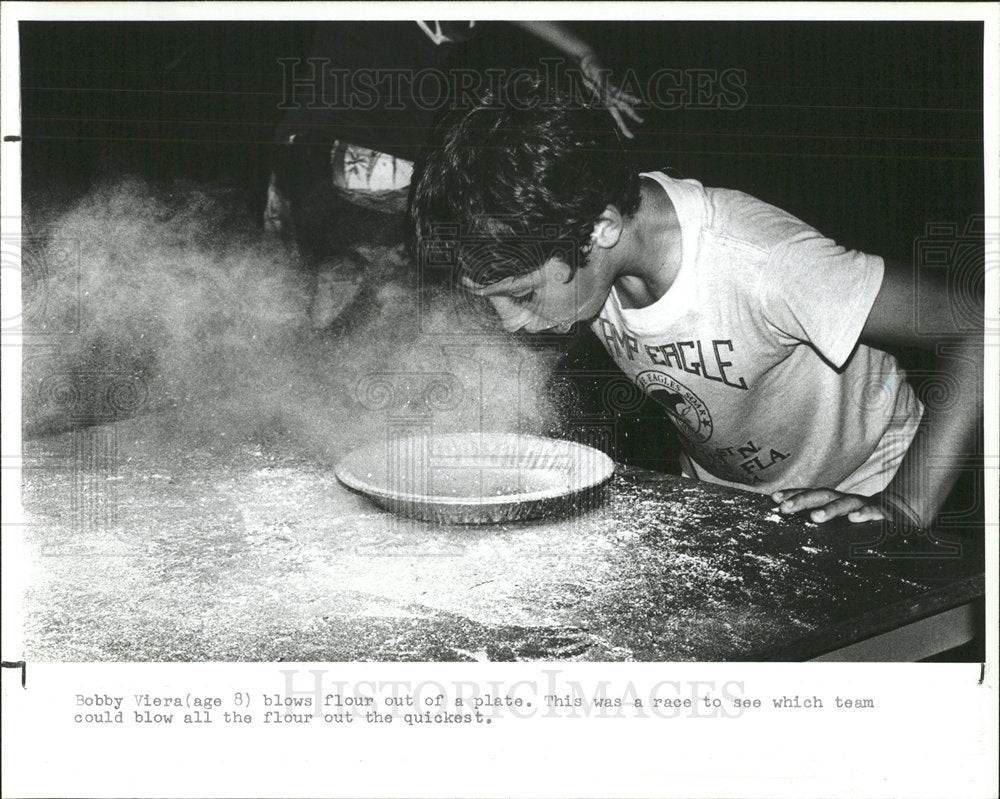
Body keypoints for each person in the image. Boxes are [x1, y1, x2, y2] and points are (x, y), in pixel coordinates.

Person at [409, 78, 984, 530]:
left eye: (522, 295)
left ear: (599, 230)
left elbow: (978, 327)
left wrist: (906, 505)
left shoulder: (763, 263)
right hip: (735, 494)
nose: (511, 322)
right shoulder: (580, 248)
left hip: (862, 482)